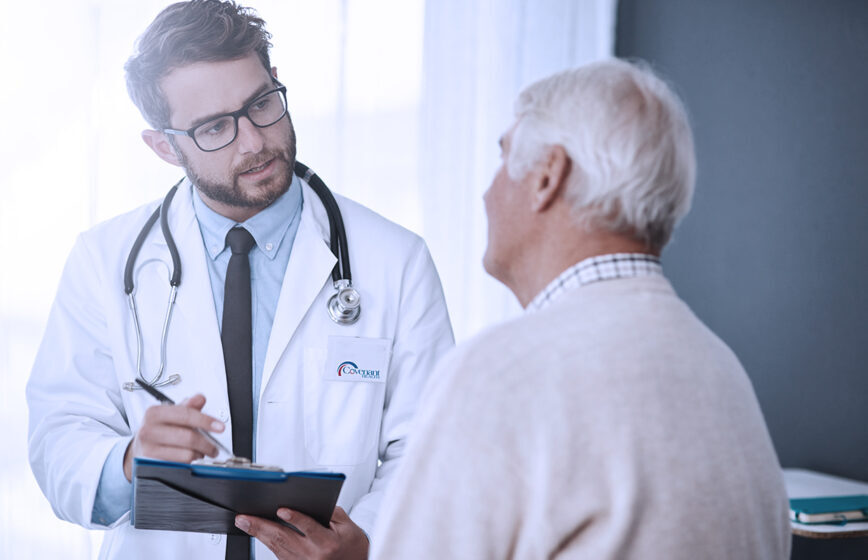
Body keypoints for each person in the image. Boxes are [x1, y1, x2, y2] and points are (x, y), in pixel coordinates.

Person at [26, 1, 453, 559]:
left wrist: (367, 540)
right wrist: (128, 463)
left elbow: (432, 448)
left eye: (261, 105)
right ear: (164, 147)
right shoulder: (103, 261)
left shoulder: (396, 261)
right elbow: (60, 439)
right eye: (213, 128)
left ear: (277, 84)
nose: (253, 142)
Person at [370, 59, 792, 559]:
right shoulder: (723, 372)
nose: (487, 193)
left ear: (548, 175)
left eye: (503, 159)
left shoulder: (498, 374)